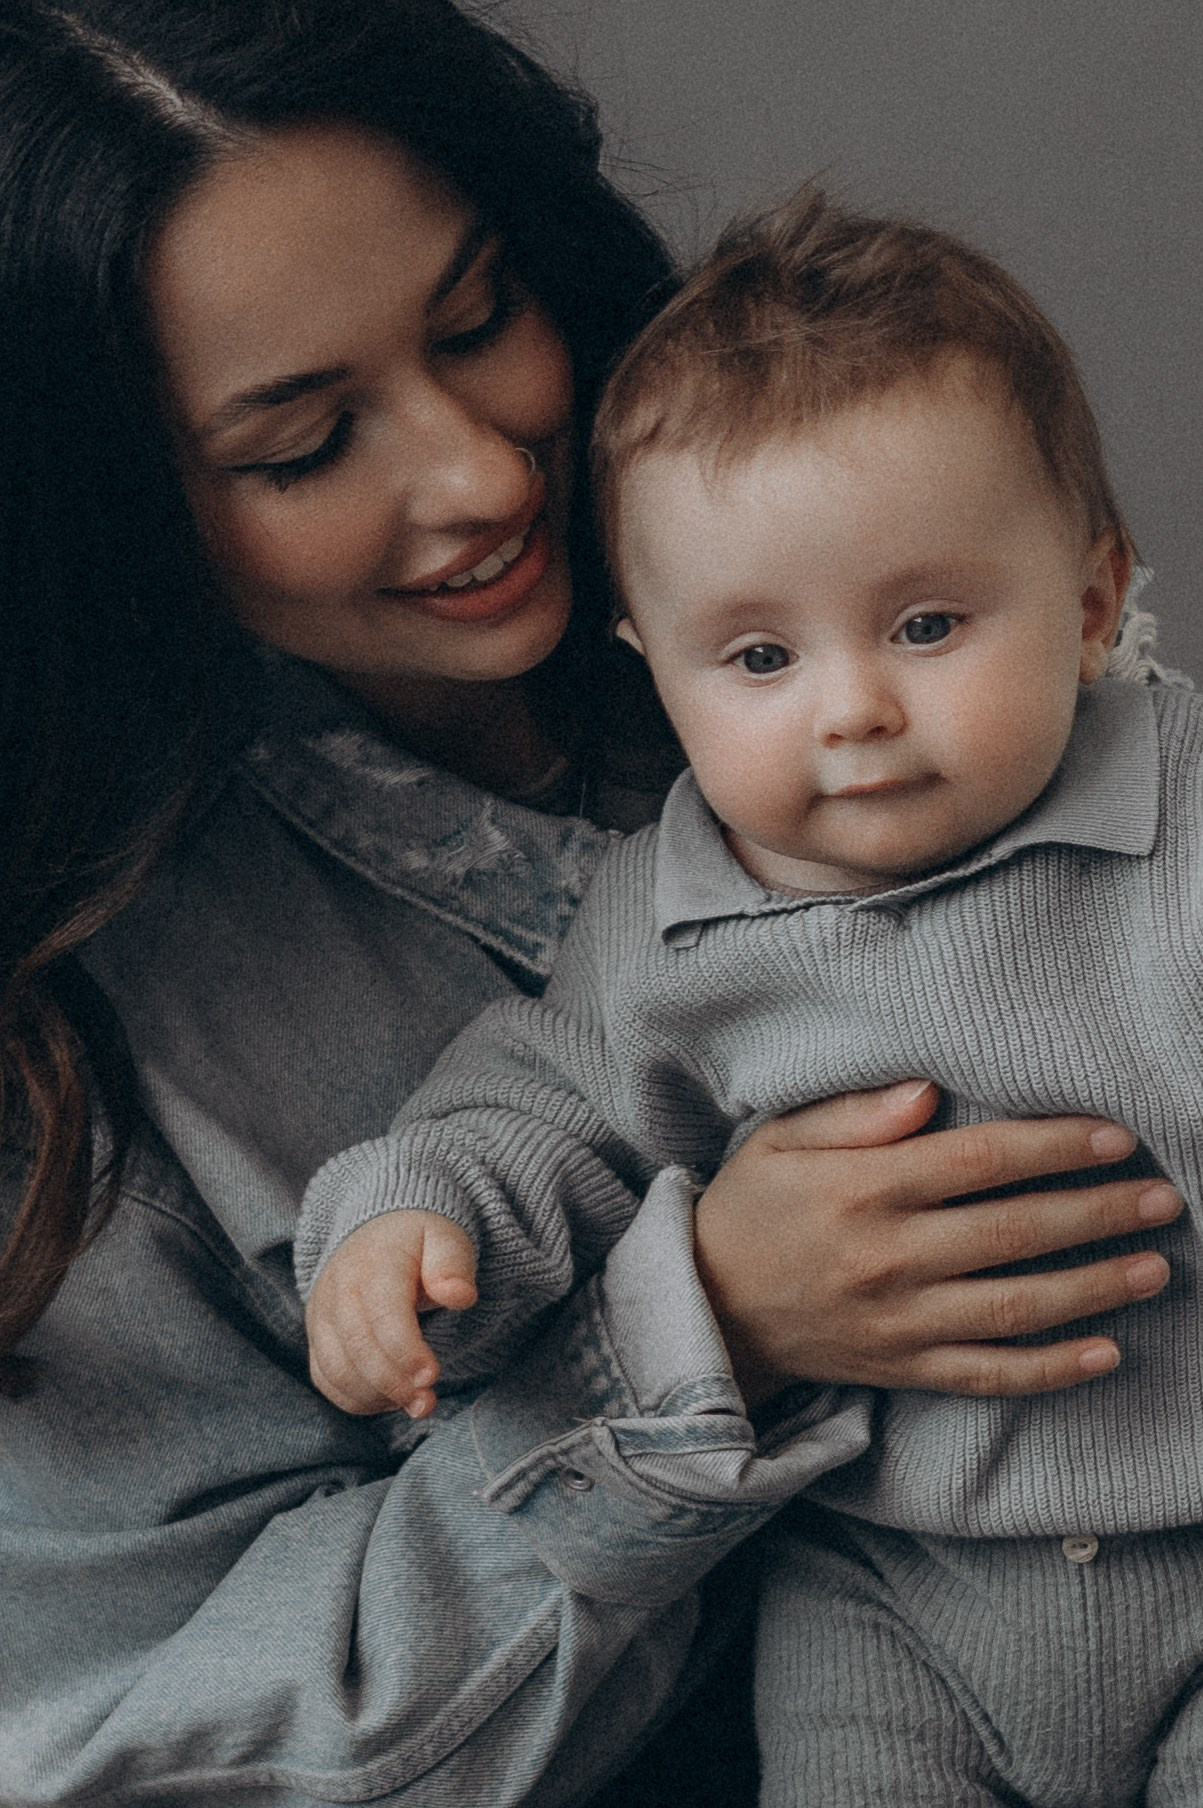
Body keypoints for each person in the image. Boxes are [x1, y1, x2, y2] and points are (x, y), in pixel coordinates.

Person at [0, 1, 1175, 1797]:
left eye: (478, 322)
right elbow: (138, 1752)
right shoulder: (89, 1037)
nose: (481, 475)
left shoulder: (792, 514)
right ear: (100, 512)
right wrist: (708, 1333)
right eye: (301, 446)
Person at [296, 189, 1203, 1806]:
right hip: (890, 1598)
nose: (853, 708)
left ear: (1085, 598)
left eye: (928, 625)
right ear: (656, 666)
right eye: (759, 660)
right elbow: (537, 1107)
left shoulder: (1177, 830)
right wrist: (404, 1225)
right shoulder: (669, 917)